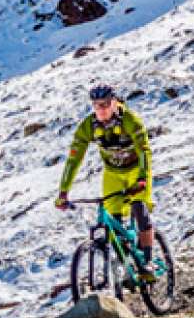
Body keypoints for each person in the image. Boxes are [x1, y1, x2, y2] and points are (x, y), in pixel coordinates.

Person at [55, 85, 157, 278]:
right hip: (113, 174)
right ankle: (125, 267)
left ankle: (148, 261)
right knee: (114, 222)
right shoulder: (89, 126)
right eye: (96, 105)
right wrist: (63, 192)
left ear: (115, 102)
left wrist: (142, 178)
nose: (101, 109)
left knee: (139, 210)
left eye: (105, 104)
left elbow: (144, 150)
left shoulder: (129, 120)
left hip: (136, 170)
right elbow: (74, 159)